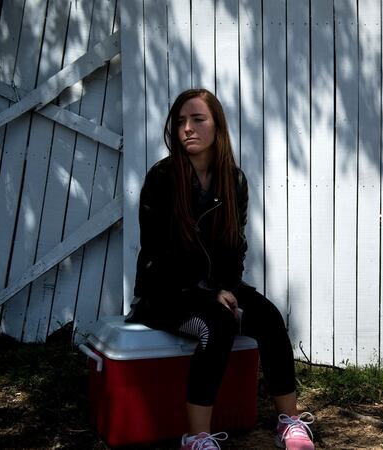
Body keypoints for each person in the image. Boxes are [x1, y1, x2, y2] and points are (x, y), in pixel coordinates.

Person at [127, 88, 315, 450]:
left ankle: (289, 421)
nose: (187, 129)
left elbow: (235, 248)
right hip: (164, 294)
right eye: (180, 122)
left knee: (269, 317)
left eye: (198, 120)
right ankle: (197, 437)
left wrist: (226, 286)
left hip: (216, 287)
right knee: (216, 322)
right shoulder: (161, 179)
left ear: (217, 127)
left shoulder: (233, 180)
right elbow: (157, 256)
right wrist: (210, 294)